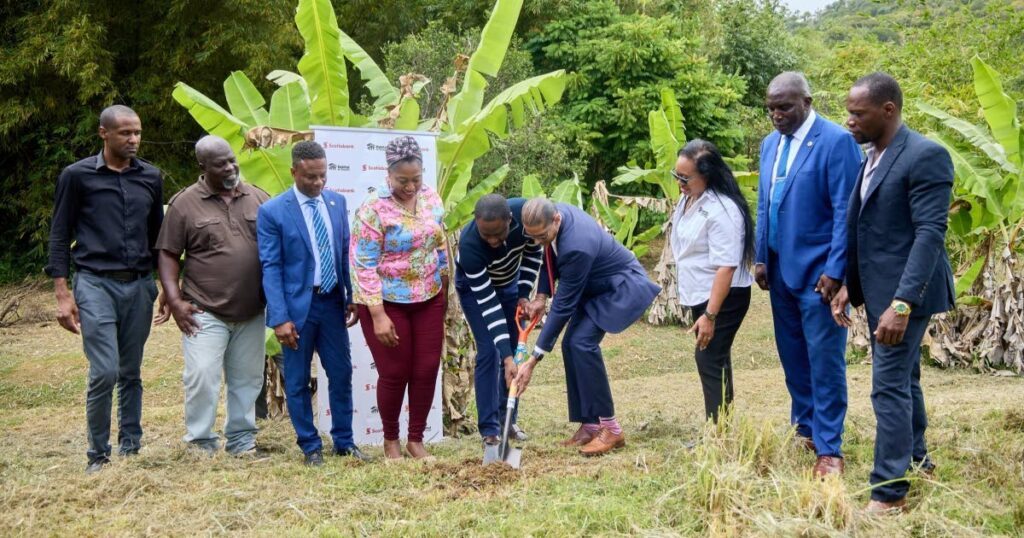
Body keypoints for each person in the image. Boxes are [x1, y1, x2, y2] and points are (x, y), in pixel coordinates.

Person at [832, 72, 954, 513]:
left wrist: (902, 304)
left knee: (887, 388)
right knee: (907, 379)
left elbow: (929, 234)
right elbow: (868, 228)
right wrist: (849, 282)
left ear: (888, 110)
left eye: (857, 113)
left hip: (907, 293)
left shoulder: (925, 155)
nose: (849, 120)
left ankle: (890, 492)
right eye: (848, 112)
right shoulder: (873, 156)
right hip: (880, 288)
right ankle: (918, 460)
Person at [754, 72, 863, 477]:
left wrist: (837, 270)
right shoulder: (769, 145)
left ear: (807, 102)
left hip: (820, 275)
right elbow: (766, 203)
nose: (776, 115)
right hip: (780, 272)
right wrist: (761, 255)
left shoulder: (836, 142)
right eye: (770, 109)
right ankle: (806, 430)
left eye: (784, 107)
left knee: (824, 360)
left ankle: (830, 448)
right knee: (793, 357)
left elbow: (846, 213)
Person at [45, 105, 163, 474]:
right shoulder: (77, 176)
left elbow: (159, 237)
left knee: (131, 370)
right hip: (95, 283)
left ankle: (131, 445)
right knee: (105, 370)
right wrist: (63, 293)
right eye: (125, 133)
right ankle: (97, 454)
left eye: (138, 133)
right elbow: (60, 234)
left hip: (140, 285)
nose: (133, 140)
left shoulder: (151, 177)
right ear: (104, 134)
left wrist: (168, 289)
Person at [513, 198, 660, 456]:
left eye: (542, 235)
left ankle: (611, 428)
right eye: (532, 237)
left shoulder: (576, 246)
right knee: (572, 344)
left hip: (618, 287)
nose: (537, 242)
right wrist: (540, 297)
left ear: (556, 219)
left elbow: (563, 306)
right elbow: (549, 254)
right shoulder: (553, 218)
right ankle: (591, 425)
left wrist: (534, 359)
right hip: (593, 287)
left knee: (582, 343)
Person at [154, 135, 269, 456]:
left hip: (252, 310)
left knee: (247, 380)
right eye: (221, 164)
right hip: (203, 308)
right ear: (203, 167)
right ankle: (201, 444)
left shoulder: (258, 197)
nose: (231, 167)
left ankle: (242, 442)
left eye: (232, 159)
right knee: (202, 377)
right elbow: (167, 254)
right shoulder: (185, 203)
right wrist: (174, 300)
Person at [257, 140, 369, 466]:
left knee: (341, 372)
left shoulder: (336, 202)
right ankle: (310, 446)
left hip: (332, 304)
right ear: (294, 172)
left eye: (323, 176)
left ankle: (344, 442)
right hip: (296, 311)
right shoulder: (273, 212)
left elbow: (344, 252)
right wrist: (278, 318)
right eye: (310, 177)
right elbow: (271, 267)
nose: (318, 183)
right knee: (297, 381)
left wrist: (351, 295)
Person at [351, 136, 448, 461]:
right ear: (388, 173)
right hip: (386, 302)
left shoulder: (431, 197)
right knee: (395, 372)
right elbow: (362, 264)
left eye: (416, 179)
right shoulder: (372, 209)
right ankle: (391, 440)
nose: (410, 187)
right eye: (402, 180)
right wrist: (377, 314)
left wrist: (445, 282)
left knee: (426, 369)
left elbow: (438, 241)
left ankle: (415, 440)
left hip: (429, 296)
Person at [670, 140, 755, 423]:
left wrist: (710, 315)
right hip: (700, 293)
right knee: (716, 359)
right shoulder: (690, 198)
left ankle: (717, 432)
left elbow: (726, 268)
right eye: (676, 176)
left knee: (708, 359)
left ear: (707, 174)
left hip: (723, 298)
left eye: (685, 177)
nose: (680, 182)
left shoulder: (723, 210)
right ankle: (722, 429)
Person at [456, 194, 542, 446]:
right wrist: (505, 357)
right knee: (491, 351)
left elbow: (533, 253)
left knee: (516, 351)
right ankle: (490, 430)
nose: (493, 241)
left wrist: (524, 295)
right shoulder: (470, 245)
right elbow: (488, 305)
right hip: (476, 291)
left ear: (510, 221)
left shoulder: (527, 218)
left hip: (510, 284)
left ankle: (508, 420)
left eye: (498, 234)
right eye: (487, 235)